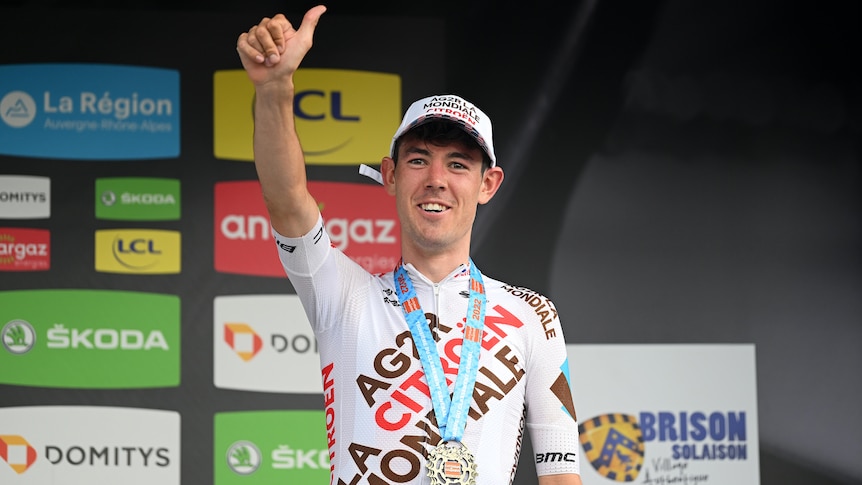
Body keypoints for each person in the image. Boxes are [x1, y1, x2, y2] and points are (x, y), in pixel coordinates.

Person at [236, 5, 583, 485]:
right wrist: (274, 90)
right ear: (391, 176)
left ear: (489, 184)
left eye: (459, 165)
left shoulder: (532, 316)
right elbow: (288, 202)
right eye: (419, 160)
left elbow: (562, 475)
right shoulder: (344, 294)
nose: (437, 180)